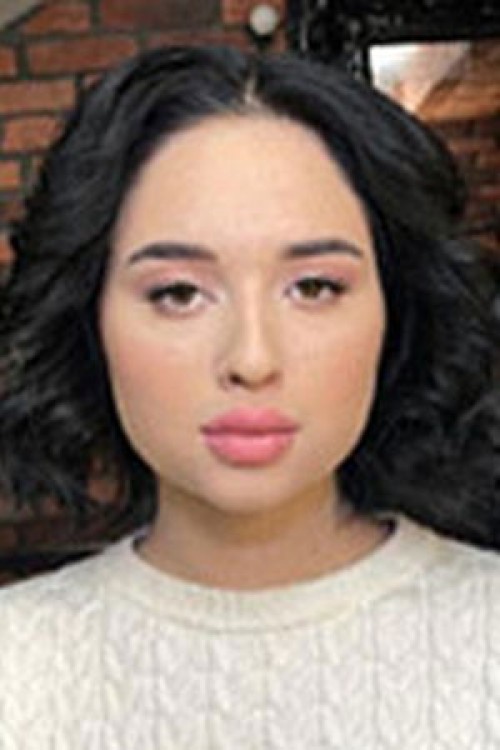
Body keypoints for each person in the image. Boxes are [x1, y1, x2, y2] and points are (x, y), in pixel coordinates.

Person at [0, 43, 499, 748]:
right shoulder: (17, 671)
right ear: (91, 318)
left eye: (314, 287)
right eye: (178, 294)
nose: (251, 359)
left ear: (396, 313)